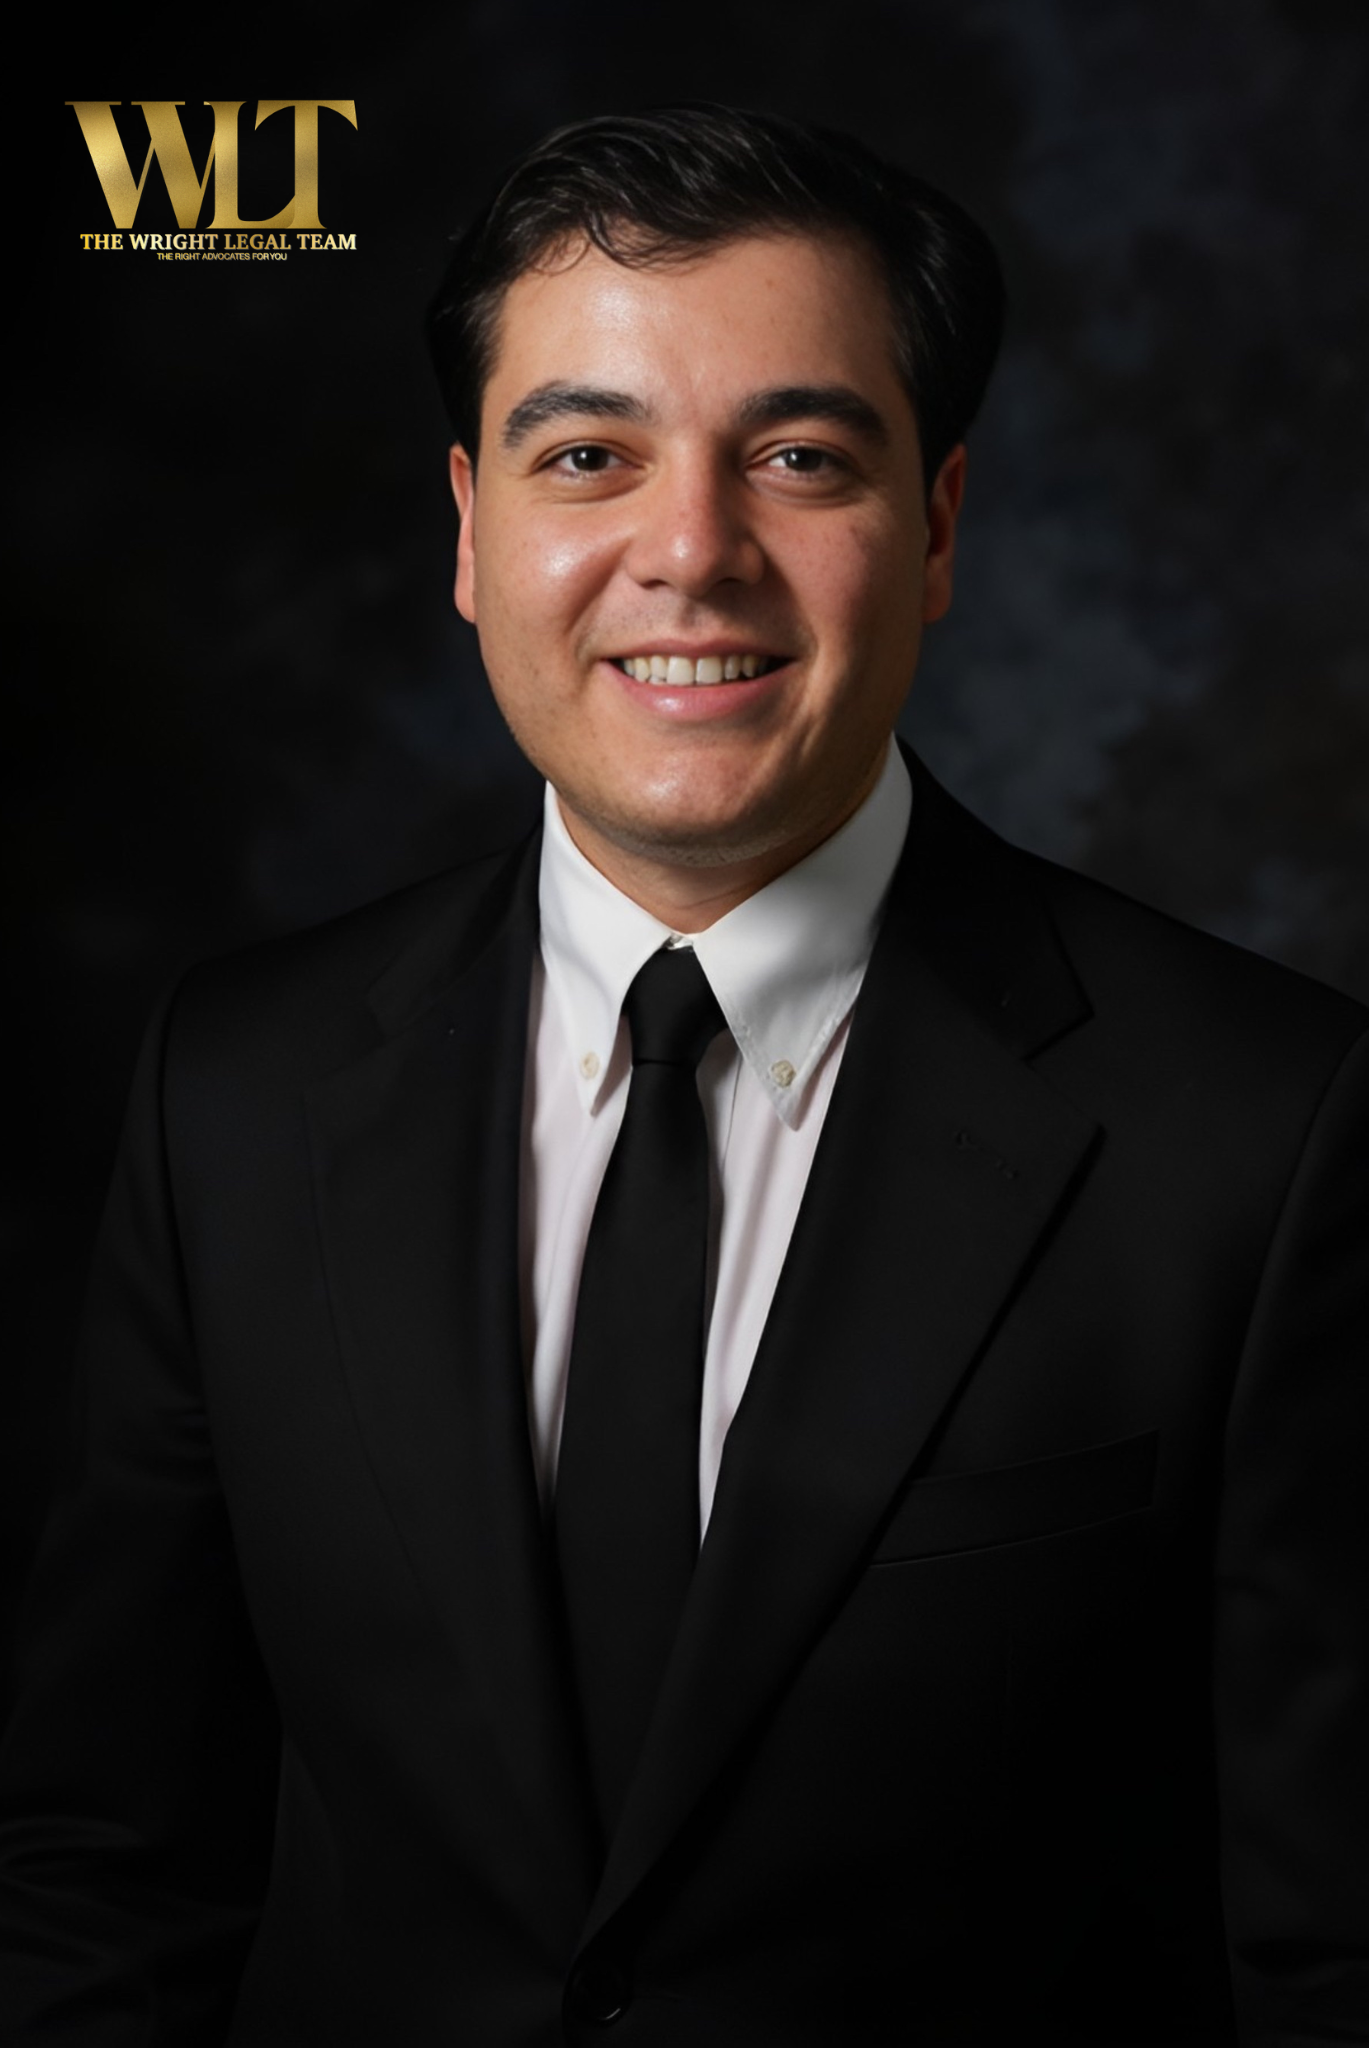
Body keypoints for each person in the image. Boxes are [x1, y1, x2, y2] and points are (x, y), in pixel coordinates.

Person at [1, 104, 1366, 2048]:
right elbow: (107, 1866)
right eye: (588, 457)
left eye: (800, 458)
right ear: (471, 532)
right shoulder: (230, 1092)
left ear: (943, 528)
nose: (694, 551)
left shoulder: (1267, 1127)